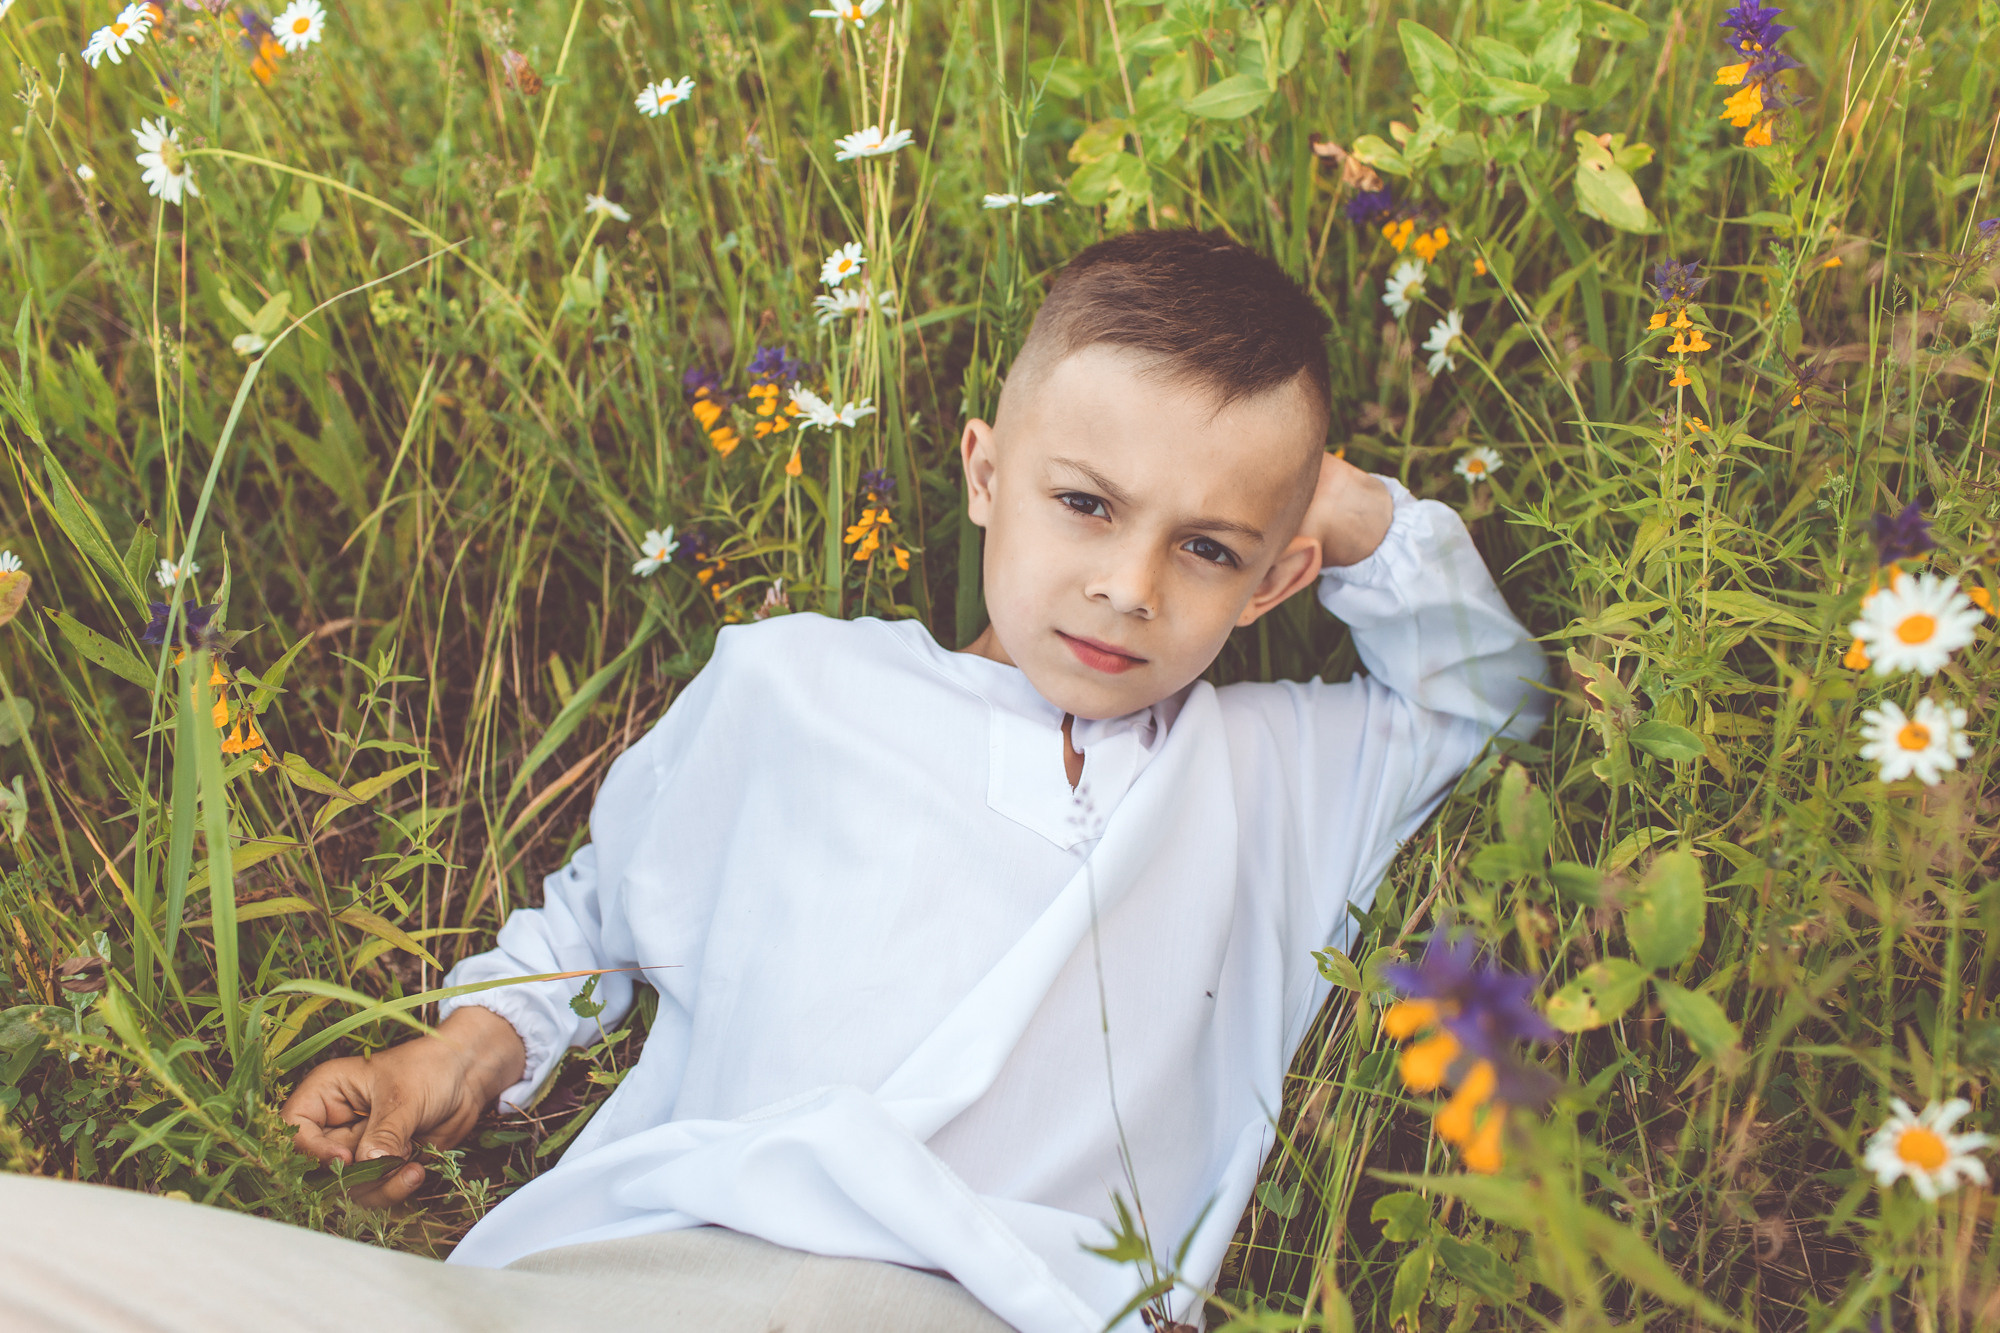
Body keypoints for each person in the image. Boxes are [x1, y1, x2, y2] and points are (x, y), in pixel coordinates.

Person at [0, 230, 1547, 1333]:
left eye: (1205, 547)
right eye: (1086, 502)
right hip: (612, 1282)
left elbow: (1479, 688)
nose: (1130, 586)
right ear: (984, 473)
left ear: (1275, 581)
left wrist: (1337, 500)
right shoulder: (800, 684)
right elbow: (606, 917)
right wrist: (464, 1052)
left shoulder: (1273, 778)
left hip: (982, 1303)